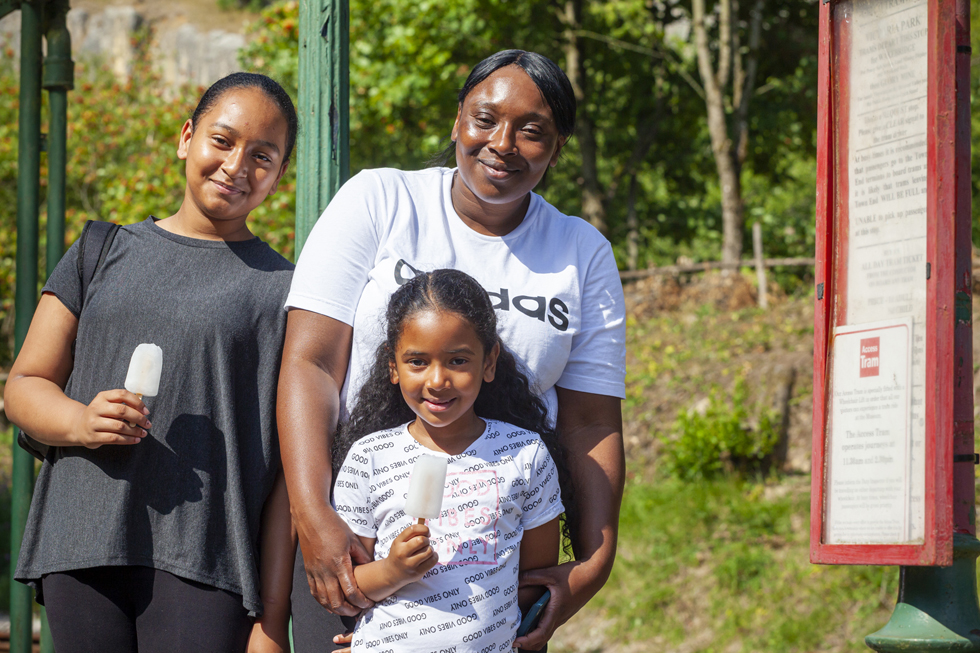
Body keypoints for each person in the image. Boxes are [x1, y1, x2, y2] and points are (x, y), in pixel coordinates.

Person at [278, 48, 626, 652]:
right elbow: (308, 366)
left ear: (558, 146)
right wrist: (315, 516)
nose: (503, 143)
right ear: (456, 121)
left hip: (491, 575)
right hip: (356, 544)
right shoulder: (379, 200)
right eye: (484, 118)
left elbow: (592, 420)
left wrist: (594, 561)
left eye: (532, 131)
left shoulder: (582, 250)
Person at [4, 72, 297, 653]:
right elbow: (24, 386)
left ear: (280, 174)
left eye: (262, 155)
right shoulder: (100, 250)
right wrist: (79, 422)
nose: (237, 165)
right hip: (82, 540)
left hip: (209, 556)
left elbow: (289, 469)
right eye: (223, 139)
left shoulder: (284, 291)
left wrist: (271, 620)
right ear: (187, 137)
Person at [329, 269, 572, 652]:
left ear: (489, 362)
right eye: (417, 361)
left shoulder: (525, 454)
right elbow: (347, 583)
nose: (437, 379)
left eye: (458, 361)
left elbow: (534, 579)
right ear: (393, 366)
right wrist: (394, 570)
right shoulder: (368, 458)